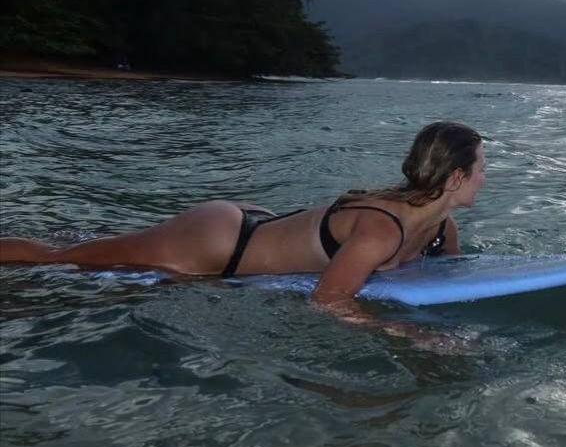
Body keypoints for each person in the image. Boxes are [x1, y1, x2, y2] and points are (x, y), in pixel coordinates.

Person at [0, 121, 485, 319]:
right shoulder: (382, 228)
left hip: (263, 230)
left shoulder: (442, 230)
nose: (487, 177)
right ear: (456, 177)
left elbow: (446, 281)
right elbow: (328, 299)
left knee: (97, 251)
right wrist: (411, 334)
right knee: (59, 260)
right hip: (217, 245)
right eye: (482, 167)